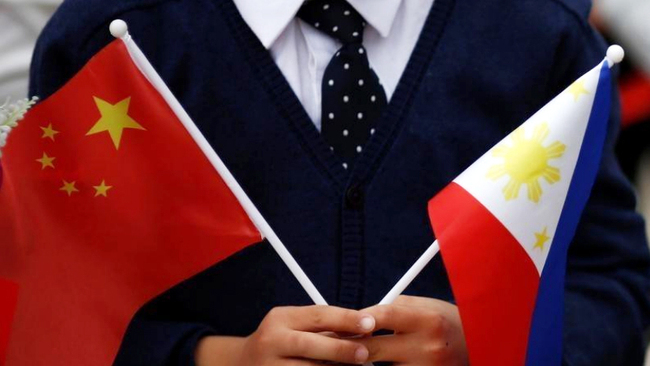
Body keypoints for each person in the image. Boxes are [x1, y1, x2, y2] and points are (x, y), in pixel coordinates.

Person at [29, 0, 650, 365]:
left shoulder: (536, 33)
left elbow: (609, 283)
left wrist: (489, 349)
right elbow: (45, 314)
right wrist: (216, 356)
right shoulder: (118, 36)